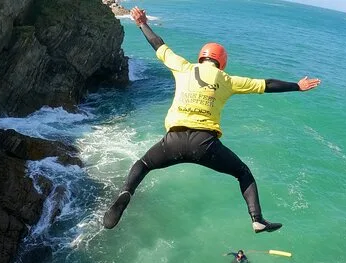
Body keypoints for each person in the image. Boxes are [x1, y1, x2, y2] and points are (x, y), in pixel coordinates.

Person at [103, 6, 321, 232]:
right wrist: (297, 86)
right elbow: (267, 84)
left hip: (173, 140)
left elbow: (158, 44)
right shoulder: (228, 80)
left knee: (143, 164)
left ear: (201, 57)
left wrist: (142, 23)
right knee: (243, 173)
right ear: (222, 63)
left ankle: (126, 193)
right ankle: (257, 219)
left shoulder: (184, 67)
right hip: (204, 144)